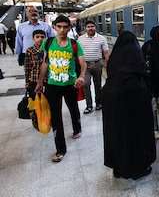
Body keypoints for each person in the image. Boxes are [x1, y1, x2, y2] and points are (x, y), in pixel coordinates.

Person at [102, 31, 156, 180]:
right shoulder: (136, 57)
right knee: (136, 135)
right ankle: (137, 168)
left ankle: (119, 168)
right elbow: (143, 76)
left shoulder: (114, 58)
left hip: (113, 100)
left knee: (117, 134)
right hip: (135, 100)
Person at [35, 15, 86, 163]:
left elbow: (83, 63)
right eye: (59, 27)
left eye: (65, 27)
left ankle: (77, 128)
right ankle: (61, 149)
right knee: (56, 118)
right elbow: (45, 63)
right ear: (55, 27)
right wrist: (40, 81)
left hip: (70, 85)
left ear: (69, 28)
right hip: (52, 86)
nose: (62, 30)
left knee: (73, 108)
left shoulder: (74, 44)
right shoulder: (48, 42)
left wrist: (81, 76)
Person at [78, 20, 109, 114]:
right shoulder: (80, 39)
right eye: (88, 27)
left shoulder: (101, 38)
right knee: (86, 85)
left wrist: (108, 64)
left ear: (95, 27)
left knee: (98, 84)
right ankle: (89, 106)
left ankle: (99, 103)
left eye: (92, 26)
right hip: (85, 65)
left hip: (97, 64)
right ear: (85, 28)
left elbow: (106, 52)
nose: (90, 28)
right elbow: (78, 53)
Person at [24, 30, 46, 99]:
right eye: (37, 37)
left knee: (47, 103)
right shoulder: (30, 50)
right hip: (33, 80)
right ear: (33, 38)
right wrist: (27, 82)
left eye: (42, 37)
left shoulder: (48, 50)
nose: (40, 39)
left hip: (46, 81)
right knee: (35, 102)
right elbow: (27, 68)